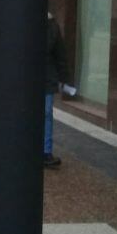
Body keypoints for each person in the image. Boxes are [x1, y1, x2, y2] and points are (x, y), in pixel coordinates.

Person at [45, 13, 71, 168]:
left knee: (46, 113)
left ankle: (45, 152)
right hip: (27, 79)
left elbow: (60, 54)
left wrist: (64, 78)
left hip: (46, 78)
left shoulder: (52, 26)